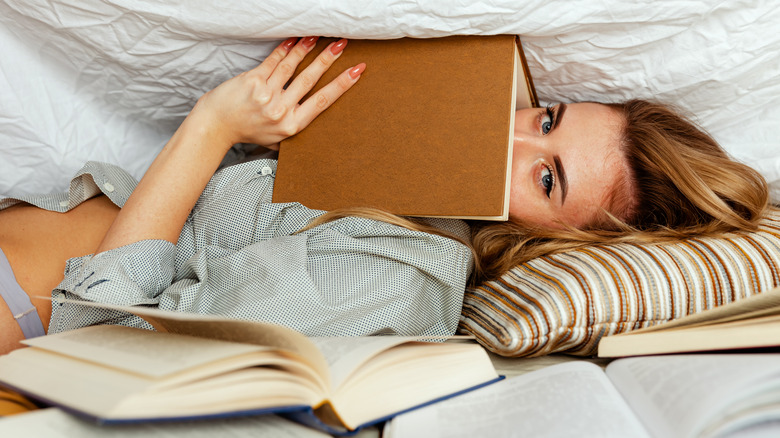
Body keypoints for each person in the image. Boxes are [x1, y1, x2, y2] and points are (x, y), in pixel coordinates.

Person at [0, 37, 770, 356]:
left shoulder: (401, 273)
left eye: (546, 179)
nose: (511, 141)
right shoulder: (397, 159)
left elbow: (110, 326)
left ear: (561, 237)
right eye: (546, 120)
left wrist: (211, 125)